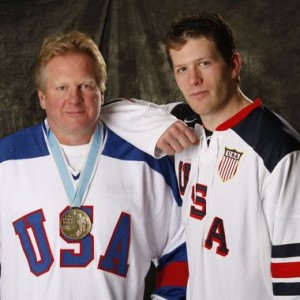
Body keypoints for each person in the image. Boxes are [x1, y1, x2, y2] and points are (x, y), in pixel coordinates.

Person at [101, 12, 300, 299]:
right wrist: (158, 126)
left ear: (233, 65)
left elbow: (294, 276)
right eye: (182, 69)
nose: (193, 80)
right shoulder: (184, 124)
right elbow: (109, 110)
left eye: (203, 64)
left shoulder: (278, 150)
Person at [0, 31, 189, 299]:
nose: (74, 99)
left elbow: (182, 246)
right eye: (61, 87)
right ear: (42, 97)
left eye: (86, 85)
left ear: (102, 92)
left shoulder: (145, 163)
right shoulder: (5, 159)